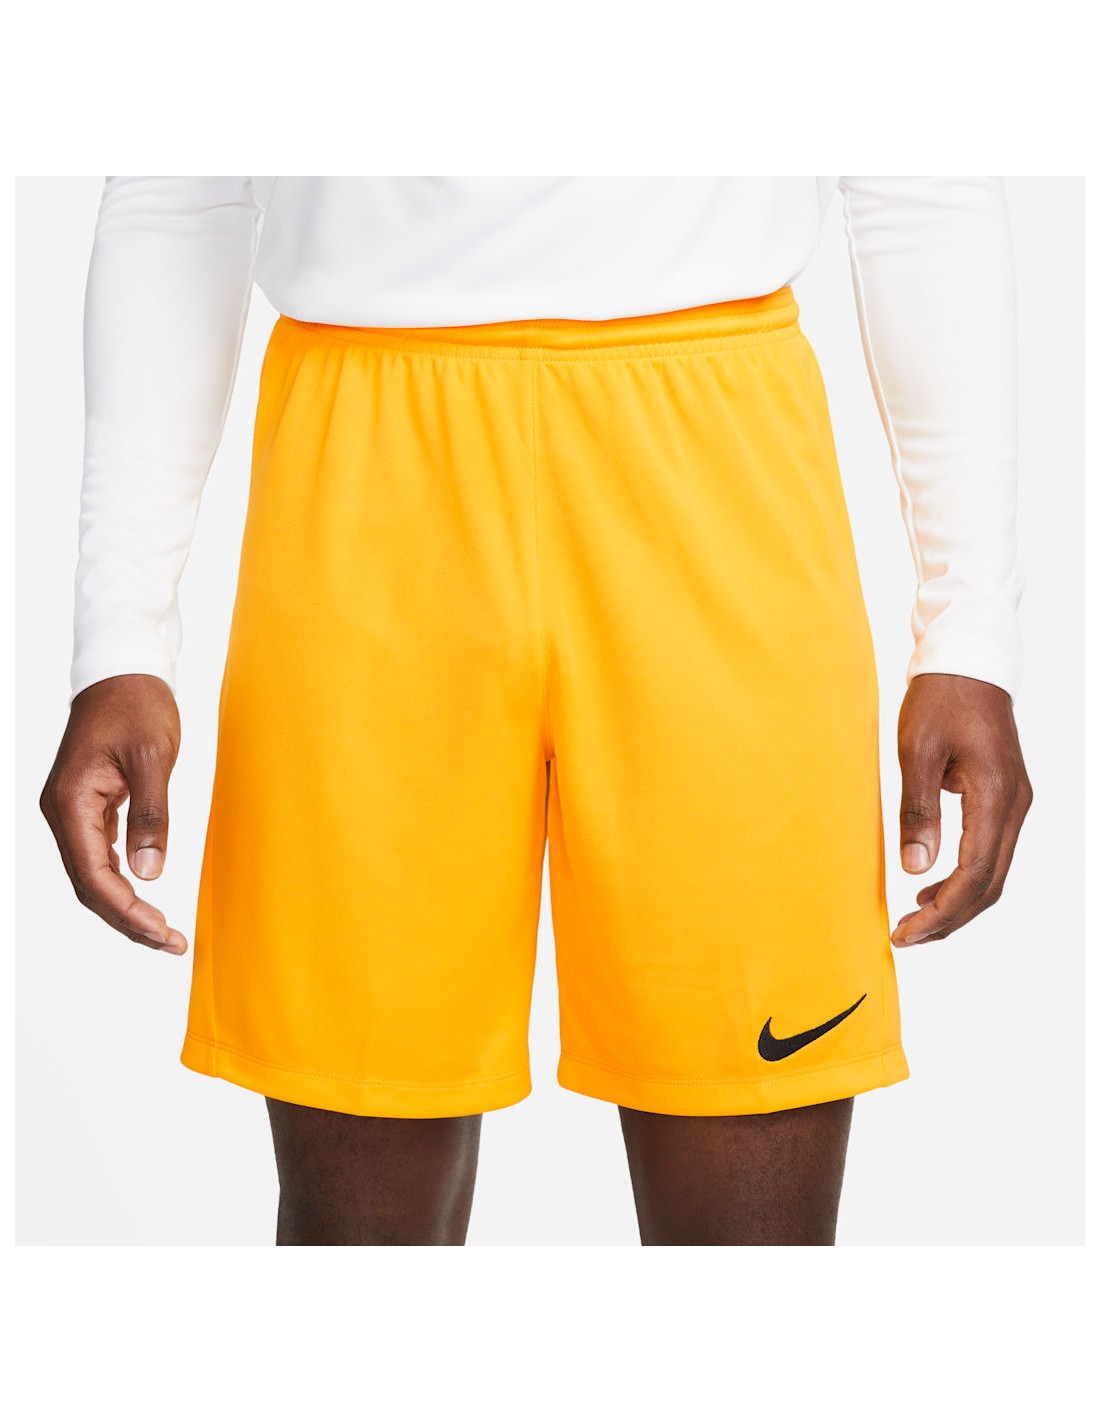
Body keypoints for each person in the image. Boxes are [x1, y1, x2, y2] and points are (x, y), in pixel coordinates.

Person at [39, 177, 1033, 1246]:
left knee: (752, 1238)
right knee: (356, 1235)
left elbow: (920, 184)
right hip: (368, 464)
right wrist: (121, 638)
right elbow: (179, 190)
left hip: (712, 445)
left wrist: (968, 632)